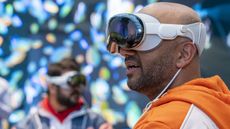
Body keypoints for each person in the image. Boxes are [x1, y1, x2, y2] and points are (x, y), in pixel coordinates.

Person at [106, 2, 230, 129]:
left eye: (140, 39)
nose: (124, 52)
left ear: (184, 54)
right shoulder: (216, 107)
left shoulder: (162, 123)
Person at [15, 58, 112, 129]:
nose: (77, 88)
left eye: (80, 82)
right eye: (71, 82)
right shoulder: (29, 124)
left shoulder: (95, 122)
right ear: (52, 87)